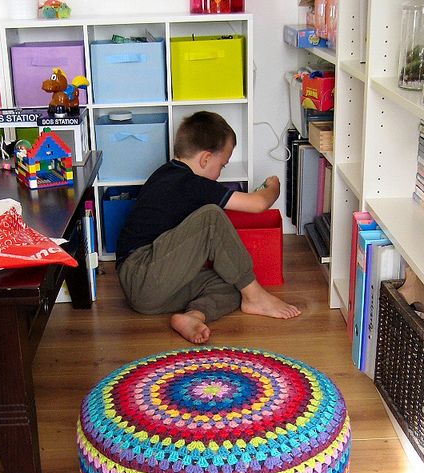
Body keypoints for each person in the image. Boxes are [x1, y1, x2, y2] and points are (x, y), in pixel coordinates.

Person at [116, 111, 301, 344]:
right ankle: (256, 296)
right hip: (142, 274)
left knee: (232, 285)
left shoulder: (167, 175)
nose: (220, 173)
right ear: (205, 159)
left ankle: (194, 315)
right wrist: (274, 186)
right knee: (212, 217)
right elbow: (258, 204)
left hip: (151, 293)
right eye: (222, 165)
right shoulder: (190, 183)